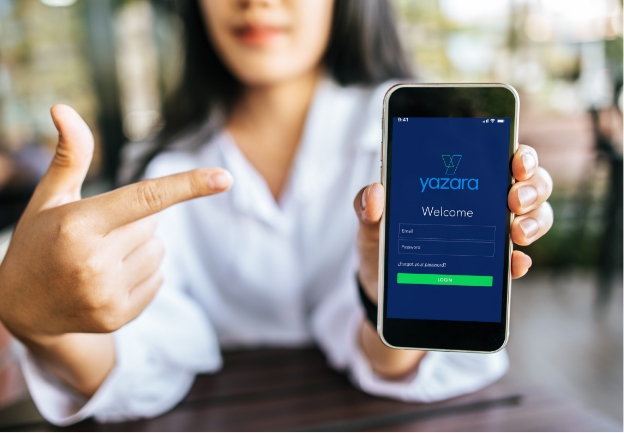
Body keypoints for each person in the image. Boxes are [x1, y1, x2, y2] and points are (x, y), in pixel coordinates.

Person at [0, 0, 553, 425]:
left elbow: (432, 366)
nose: (256, 1)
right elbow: (147, 356)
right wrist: (41, 326)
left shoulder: (425, 135)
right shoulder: (161, 164)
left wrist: (390, 303)